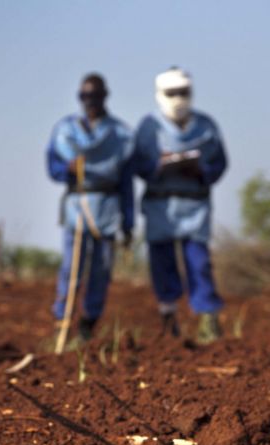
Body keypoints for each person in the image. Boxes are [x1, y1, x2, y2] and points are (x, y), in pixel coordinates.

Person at [133, 67, 228, 343]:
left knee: (198, 264)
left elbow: (220, 162)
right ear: (160, 94)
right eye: (172, 93)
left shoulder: (207, 126)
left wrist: (201, 172)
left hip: (194, 207)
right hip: (160, 207)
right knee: (162, 265)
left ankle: (208, 319)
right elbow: (138, 165)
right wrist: (158, 166)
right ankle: (168, 318)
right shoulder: (148, 127)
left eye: (183, 93)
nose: (178, 99)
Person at [46, 73, 134, 341]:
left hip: (107, 209)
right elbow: (52, 166)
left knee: (101, 270)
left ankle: (88, 324)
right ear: (79, 98)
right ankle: (63, 321)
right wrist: (67, 169)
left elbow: (127, 182)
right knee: (70, 268)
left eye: (95, 96)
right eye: (85, 96)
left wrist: (128, 223)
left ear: (105, 96)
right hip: (77, 206)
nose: (91, 101)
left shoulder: (120, 134)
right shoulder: (64, 131)